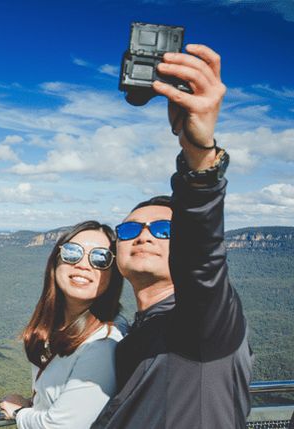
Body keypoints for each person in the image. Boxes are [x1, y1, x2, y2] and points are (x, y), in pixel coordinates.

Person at [91, 44, 252, 428]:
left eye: (164, 230)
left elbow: (203, 259)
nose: (143, 236)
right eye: (130, 229)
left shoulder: (202, 321)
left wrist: (199, 155)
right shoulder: (134, 336)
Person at [0, 220, 124, 428]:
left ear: (113, 274)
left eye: (100, 258)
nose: (83, 264)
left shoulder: (103, 343)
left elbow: (62, 426)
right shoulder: (57, 326)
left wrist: (20, 413)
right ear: (56, 262)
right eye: (72, 252)